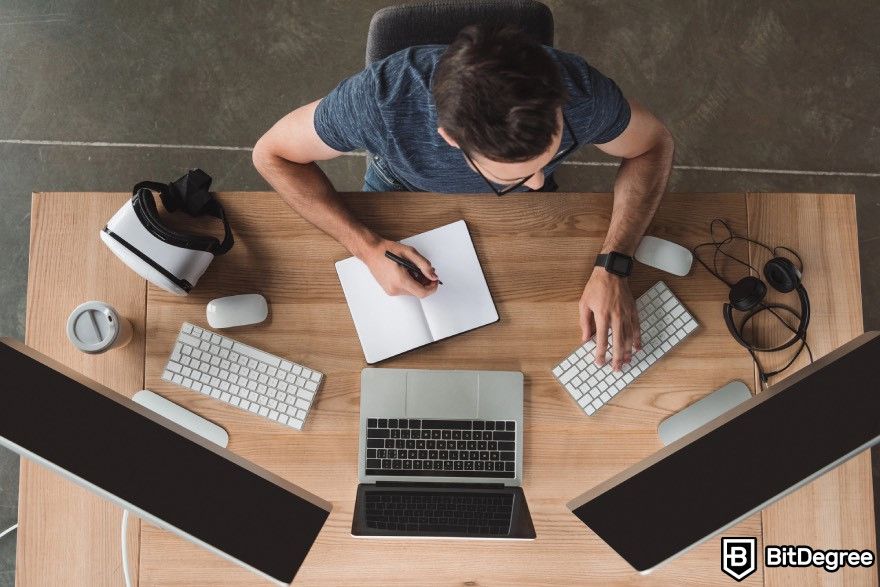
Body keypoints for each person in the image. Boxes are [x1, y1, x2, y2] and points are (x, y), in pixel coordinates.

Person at [252, 25, 674, 371]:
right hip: (400, 188)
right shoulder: (377, 102)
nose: (537, 184)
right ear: (450, 140)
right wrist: (365, 247)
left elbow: (653, 144)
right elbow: (271, 155)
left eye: (549, 157)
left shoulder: (579, 93)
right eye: (511, 177)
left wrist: (613, 265)